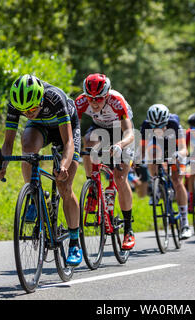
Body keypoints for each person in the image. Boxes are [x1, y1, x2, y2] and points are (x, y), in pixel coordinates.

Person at [0, 74, 82, 266]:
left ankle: (74, 242)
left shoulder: (55, 98)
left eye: (32, 108)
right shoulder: (16, 105)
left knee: (65, 185)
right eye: (24, 111)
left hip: (65, 127)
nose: (28, 113)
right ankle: (35, 195)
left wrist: (64, 166)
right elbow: (8, 143)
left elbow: (68, 142)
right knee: (27, 146)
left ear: (41, 99)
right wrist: (3, 165)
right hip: (41, 127)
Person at [74, 73, 135, 250]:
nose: (94, 102)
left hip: (120, 131)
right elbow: (73, 129)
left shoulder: (116, 101)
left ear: (107, 95)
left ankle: (129, 229)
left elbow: (130, 134)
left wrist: (120, 145)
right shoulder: (81, 101)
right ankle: (92, 187)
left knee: (120, 178)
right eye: (90, 98)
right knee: (87, 142)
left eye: (99, 99)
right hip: (99, 127)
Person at [139, 104, 192, 240]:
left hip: (174, 147)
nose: (157, 129)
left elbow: (183, 149)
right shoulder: (145, 125)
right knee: (151, 156)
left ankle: (185, 223)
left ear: (166, 121)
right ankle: (156, 184)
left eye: (161, 125)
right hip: (158, 146)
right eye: (154, 126)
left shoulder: (174, 124)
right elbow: (143, 148)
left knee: (177, 181)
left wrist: (178, 156)